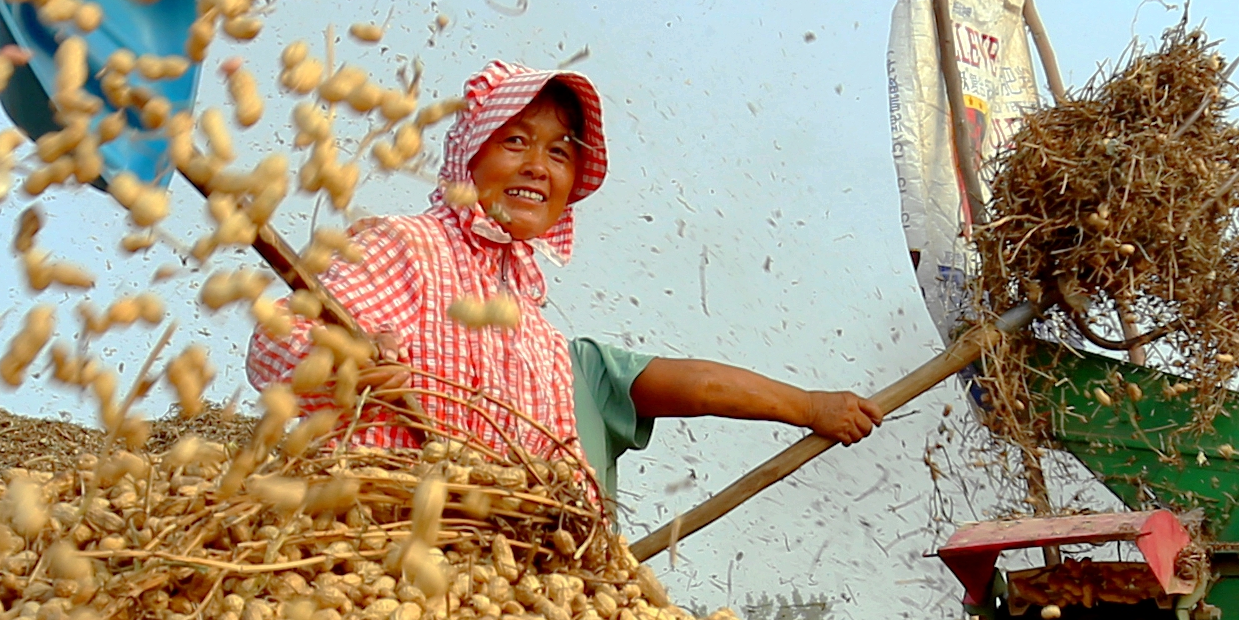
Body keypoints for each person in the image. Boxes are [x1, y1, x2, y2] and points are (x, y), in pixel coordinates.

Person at [244, 58, 881, 508]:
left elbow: (697, 383)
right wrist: (348, 361)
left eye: (558, 152)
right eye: (515, 140)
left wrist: (810, 407)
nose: (536, 167)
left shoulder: (543, 346)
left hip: (502, 580)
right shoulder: (402, 243)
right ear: (470, 154)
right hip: (383, 537)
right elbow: (281, 339)